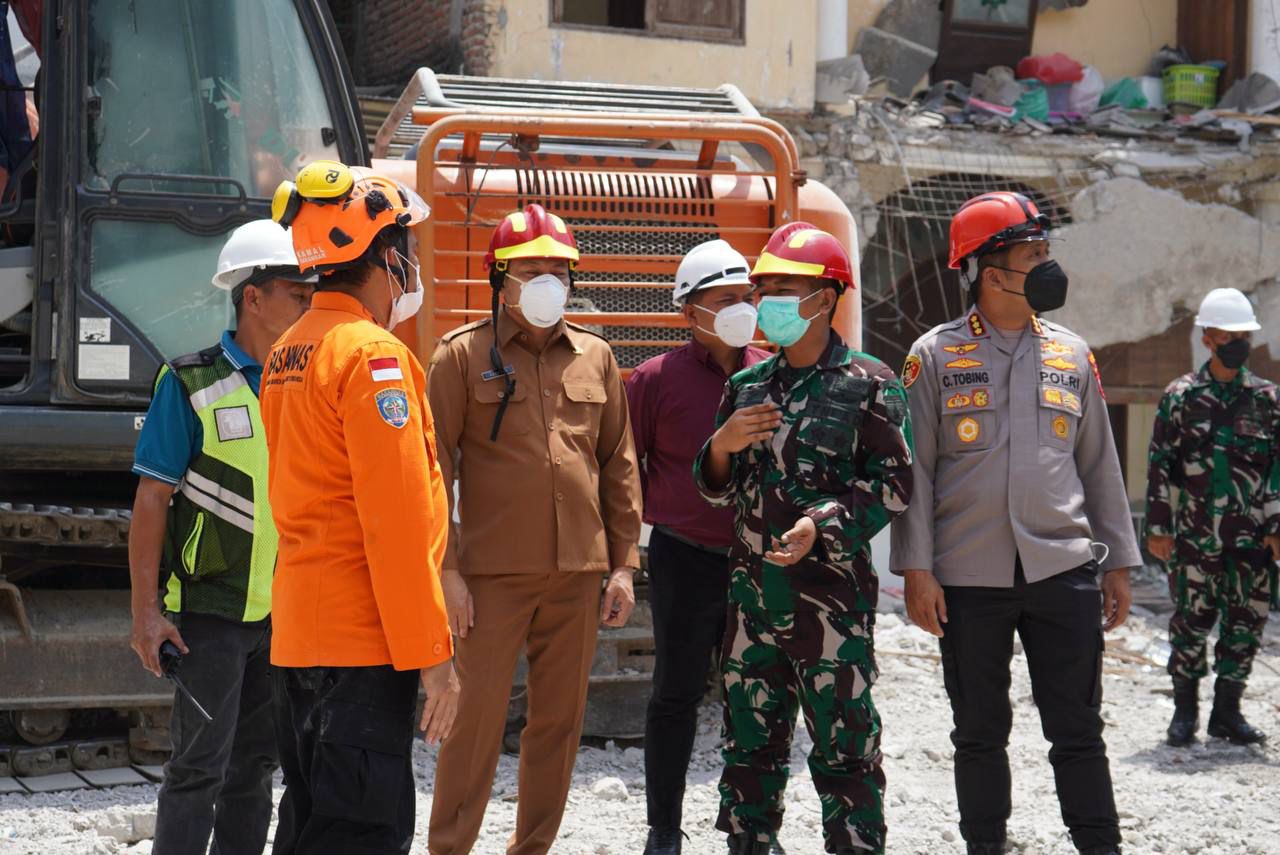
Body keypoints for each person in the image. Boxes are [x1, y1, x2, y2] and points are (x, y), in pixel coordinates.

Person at [890, 191, 1140, 855]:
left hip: (1063, 571)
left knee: (1078, 729)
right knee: (978, 733)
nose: (1047, 266)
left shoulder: (1072, 354)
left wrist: (1118, 562)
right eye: (1033, 255)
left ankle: (1101, 847)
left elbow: (1099, 464)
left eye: (1046, 252)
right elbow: (916, 473)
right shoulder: (933, 356)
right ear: (989, 270)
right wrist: (917, 568)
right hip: (968, 578)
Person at [426, 204, 643, 855]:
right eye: (531, 269)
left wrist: (623, 565)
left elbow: (618, 463)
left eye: (559, 269)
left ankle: (533, 847)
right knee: (473, 723)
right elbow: (432, 469)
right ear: (501, 278)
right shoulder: (460, 356)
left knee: (558, 725)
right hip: (490, 577)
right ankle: (449, 848)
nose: (548, 281)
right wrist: (447, 568)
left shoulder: (596, 357)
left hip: (578, 573)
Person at [694, 223, 913, 855]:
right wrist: (721, 445)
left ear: (826, 297)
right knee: (748, 748)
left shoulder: (870, 383)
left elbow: (895, 483)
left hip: (831, 604)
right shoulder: (747, 386)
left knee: (846, 749)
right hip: (752, 603)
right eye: (764, 290)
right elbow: (717, 490)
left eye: (785, 289)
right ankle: (749, 843)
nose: (769, 303)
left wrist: (822, 525)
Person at [260, 160, 458, 854]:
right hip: (361, 646)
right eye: (405, 244)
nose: (411, 261)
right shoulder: (373, 355)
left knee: (310, 824)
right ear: (382, 254)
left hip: (300, 638)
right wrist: (433, 654)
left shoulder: (288, 351)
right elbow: (395, 523)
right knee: (362, 834)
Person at [127, 218, 313, 855]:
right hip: (209, 615)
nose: (309, 304)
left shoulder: (306, 383)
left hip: (282, 616)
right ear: (252, 297)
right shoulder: (191, 383)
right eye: (298, 293)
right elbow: (151, 501)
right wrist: (146, 613)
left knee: (254, 769)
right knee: (198, 769)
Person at [626, 239, 770, 855]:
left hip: (757, 560)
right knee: (675, 694)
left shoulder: (774, 373)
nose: (740, 308)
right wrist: (624, 556)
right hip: (683, 558)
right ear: (689, 311)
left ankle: (749, 828)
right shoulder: (655, 379)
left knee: (754, 698)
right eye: (723, 299)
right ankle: (664, 828)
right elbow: (625, 468)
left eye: (745, 297)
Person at [1145, 287, 1279, 746]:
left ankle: (1227, 713)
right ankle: (1184, 713)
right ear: (1208, 339)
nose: (1237, 343)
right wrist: (1158, 527)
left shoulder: (1268, 399)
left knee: (1245, 626)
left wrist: (1276, 528)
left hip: (1251, 540)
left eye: (1243, 336)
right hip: (1194, 538)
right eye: (1228, 336)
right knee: (1189, 625)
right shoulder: (1181, 396)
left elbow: (1277, 470)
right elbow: (1160, 464)